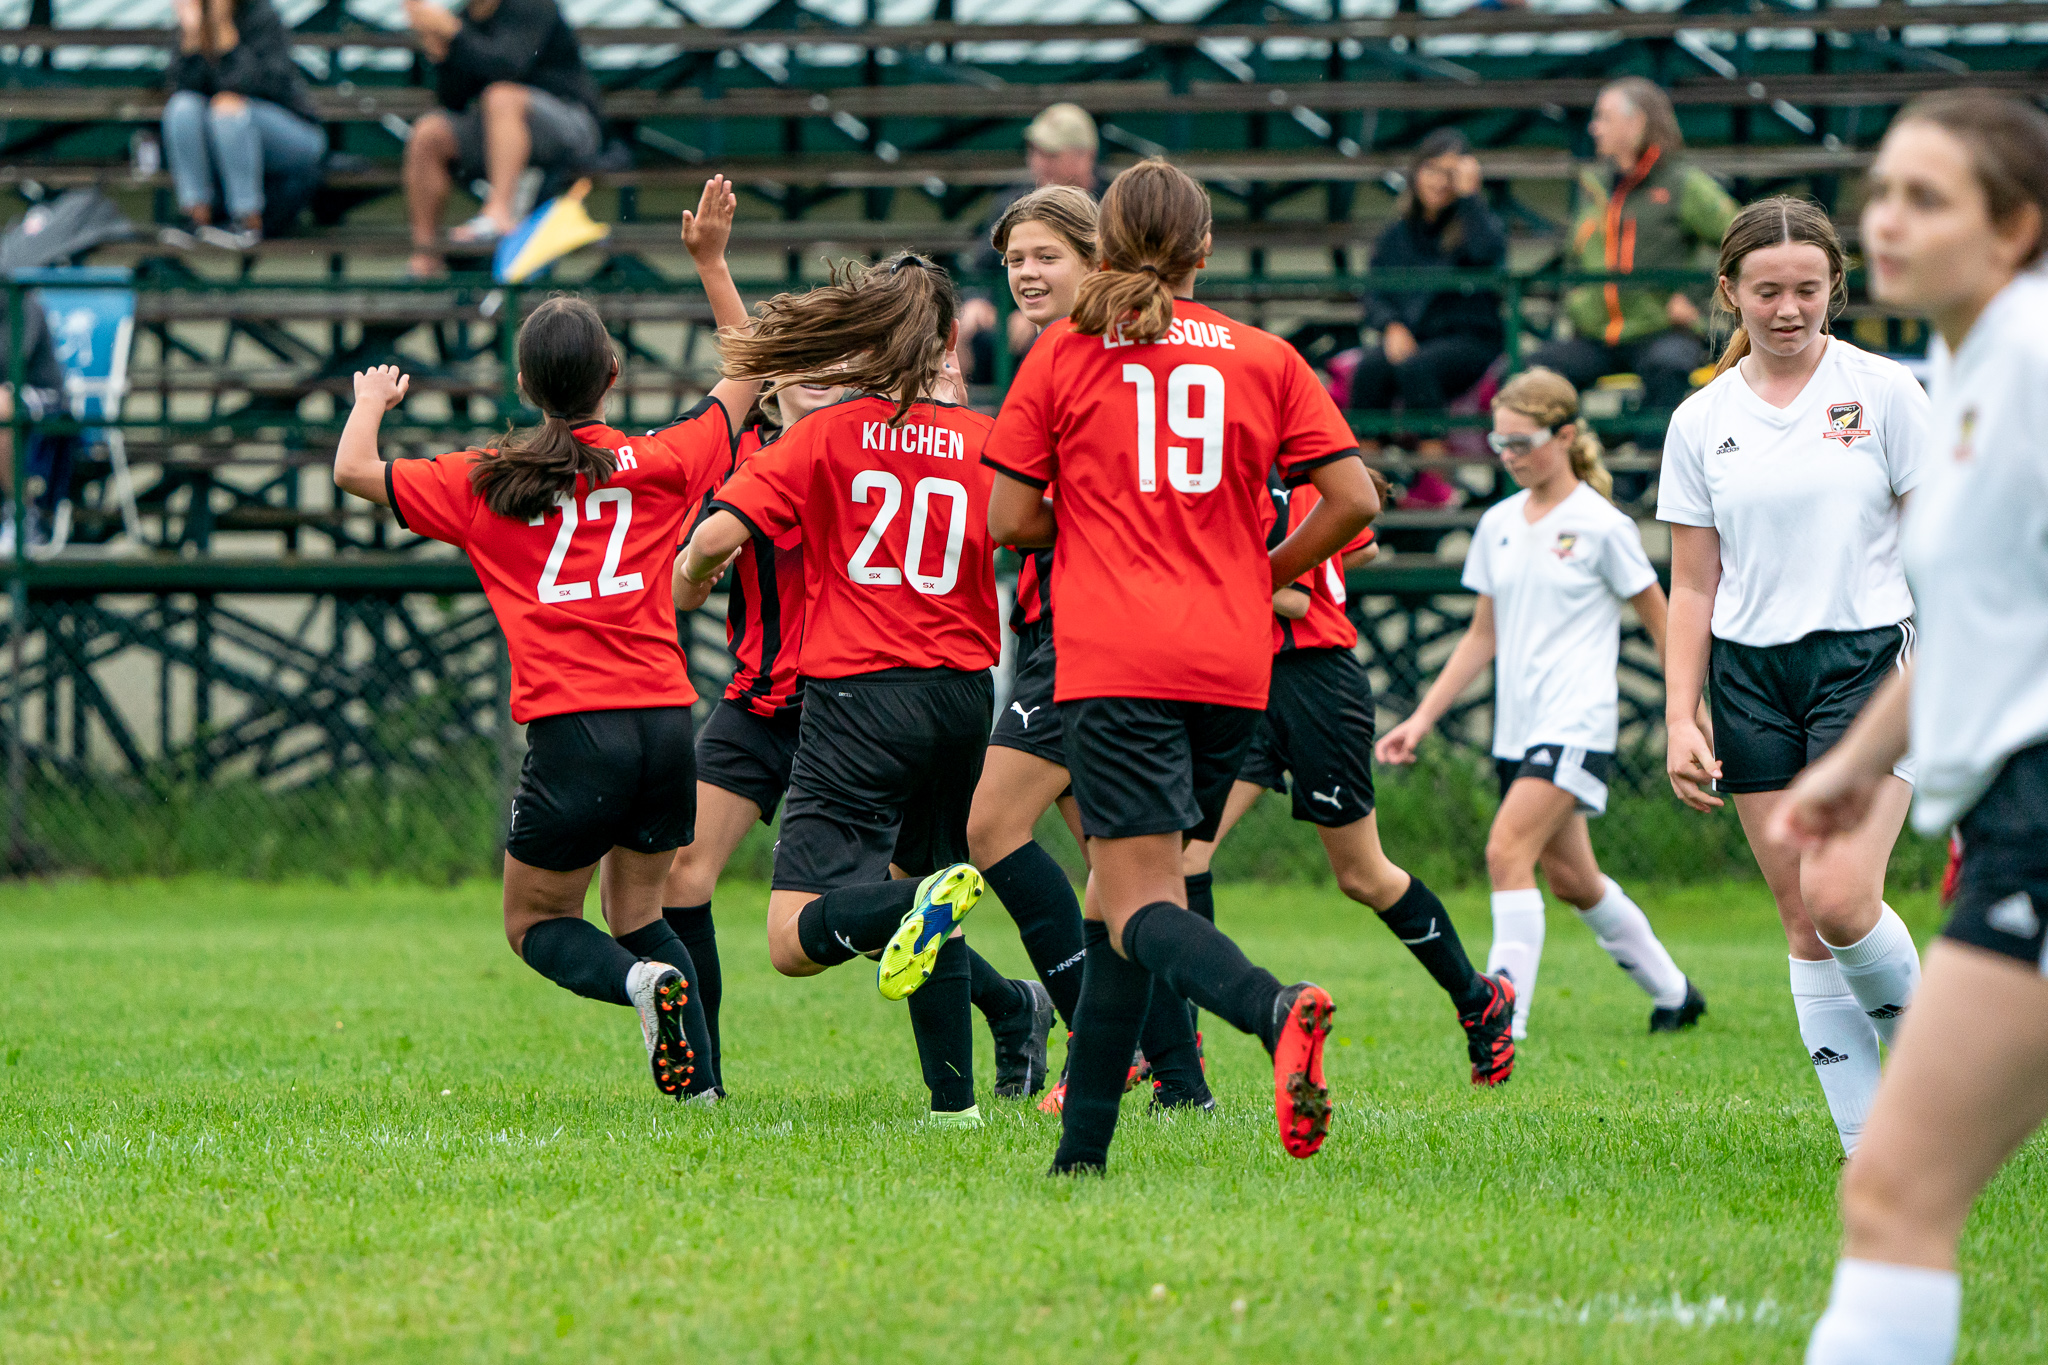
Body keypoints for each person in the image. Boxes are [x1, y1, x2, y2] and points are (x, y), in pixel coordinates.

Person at [984, 159, 1380, 1173]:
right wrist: (1262, 570)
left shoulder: (1065, 354)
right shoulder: (1265, 357)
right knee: (1115, 902)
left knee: (1139, 901)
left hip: (1116, 656)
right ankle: (1080, 1159)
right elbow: (1352, 501)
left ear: (1102, 248)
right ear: (1207, 251)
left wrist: (1099, 509)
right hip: (1231, 663)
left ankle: (1271, 1006)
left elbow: (1011, 520)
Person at [327, 180, 755, 1102]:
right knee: (641, 906)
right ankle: (703, 1090)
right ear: (613, 378)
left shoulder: (488, 478)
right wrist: (711, 263)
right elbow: (748, 374)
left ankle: (641, 989)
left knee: (534, 921)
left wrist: (372, 397)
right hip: (666, 721)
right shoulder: (664, 461)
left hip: (575, 729)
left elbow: (354, 470)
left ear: (525, 387)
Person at [1781, 90, 2048, 1365]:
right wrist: (1846, 767)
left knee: (1891, 1196)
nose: (1886, 219)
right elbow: (1960, 617)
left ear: (2014, 229)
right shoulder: (1962, 372)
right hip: (2007, 812)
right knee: (1895, 1194)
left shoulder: (2036, 357)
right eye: (1881, 190)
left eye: (1926, 198)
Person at [676, 252, 1006, 1128]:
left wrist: (685, 581)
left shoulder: (827, 433)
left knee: (793, 938)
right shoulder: (988, 440)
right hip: (966, 696)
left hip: (863, 695)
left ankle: (916, 903)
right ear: (943, 345)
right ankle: (954, 1107)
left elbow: (715, 540)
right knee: (927, 878)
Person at [1659, 196, 1931, 1157]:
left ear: (1836, 289)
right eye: (1767, 291)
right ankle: (1870, 1150)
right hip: (1748, 677)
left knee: (1843, 895)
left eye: (1807, 290)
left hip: (1865, 661)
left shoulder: (1887, 392)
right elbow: (1693, 584)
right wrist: (1678, 713)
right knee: (1803, 919)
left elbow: (1941, 544)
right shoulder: (1699, 420)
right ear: (1729, 291)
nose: (1788, 309)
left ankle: (1939, 1088)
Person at [1378, 368, 1702, 1040]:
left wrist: (1686, 712)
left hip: (1577, 722)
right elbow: (1481, 637)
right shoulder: (1497, 523)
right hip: (1517, 731)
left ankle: (1504, 1019)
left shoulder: (1602, 525)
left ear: (1566, 435)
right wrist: (1422, 718)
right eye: (1501, 443)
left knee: (1505, 851)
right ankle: (1676, 993)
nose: (1511, 455)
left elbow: (1662, 619)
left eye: (1523, 442)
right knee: (1574, 879)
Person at [1177, 467, 1518, 1086]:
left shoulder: (1287, 483)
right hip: (1244, 682)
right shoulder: (1235, 475)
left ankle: (1478, 1000)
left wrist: (1197, 568)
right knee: (1184, 860)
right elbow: (1359, 550)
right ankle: (1181, 1055)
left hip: (1315, 688)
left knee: (1362, 875)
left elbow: (1298, 598)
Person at [1527, 77, 1738, 416]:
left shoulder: (1682, 183)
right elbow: (1576, 258)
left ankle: (1649, 466)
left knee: (1667, 366)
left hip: (1661, 330)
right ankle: (1574, 461)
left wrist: (1699, 298)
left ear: (1637, 122)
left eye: (1604, 118)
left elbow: (1742, 241)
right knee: (1535, 373)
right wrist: (1579, 300)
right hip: (1597, 334)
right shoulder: (1594, 186)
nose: (1594, 128)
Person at [402, 0, 604, 277]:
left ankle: (498, 213)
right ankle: (425, 258)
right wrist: (441, 51)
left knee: (501, 97)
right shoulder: (463, 18)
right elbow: (453, 100)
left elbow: (510, 66)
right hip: (500, 133)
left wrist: (456, 34)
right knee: (429, 132)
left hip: (571, 126)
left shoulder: (534, 6)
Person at [1351, 130, 1508, 416]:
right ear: (1416, 173)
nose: (1439, 182)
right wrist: (1391, 326)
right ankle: (1365, 457)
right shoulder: (1396, 235)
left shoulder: (1478, 224)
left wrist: (1470, 197)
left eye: (1449, 174)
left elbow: (1487, 254)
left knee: (1417, 369)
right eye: (1432, 170)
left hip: (1471, 341)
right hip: (1414, 336)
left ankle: (1432, 457)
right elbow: (1374, 293)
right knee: (1369, 369)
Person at [161, 0, 327, 248]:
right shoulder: (194, 19)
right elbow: (183, 87)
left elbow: (265, 85)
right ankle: (196, 216)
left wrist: (225, 33)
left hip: (293, 134)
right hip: (225, 138)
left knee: (227, 108)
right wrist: (193, 34)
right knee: (182, 106)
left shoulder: (261, 14)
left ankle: (246, 220)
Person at [959, 105, 1109, 377]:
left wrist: (1045, 313)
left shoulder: (1114, 206)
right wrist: (979, 302)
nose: (1039, 162)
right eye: (1034, 152)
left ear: (1085, 156)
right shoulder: (1010, 204)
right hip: (1012, 328)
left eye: (1050, 154)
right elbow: (979, 270)